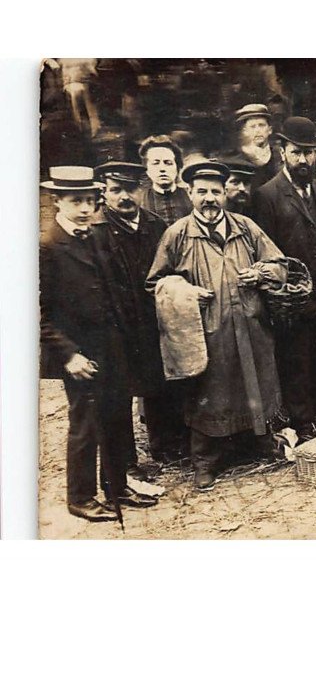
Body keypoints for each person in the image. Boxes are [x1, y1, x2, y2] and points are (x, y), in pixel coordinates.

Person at [146, 161, 288, 490]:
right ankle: (204, 461)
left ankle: (260, 442)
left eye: (215, 192)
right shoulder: (178, 234)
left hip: (250, 324)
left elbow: (281, 265)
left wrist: (262, 273)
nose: (209, 199)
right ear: (190, 194)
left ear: (225, 194)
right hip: (205, 331)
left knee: (255, 385)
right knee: (209, 393)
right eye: (202, 192)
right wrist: (185, 291)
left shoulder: (246, 227)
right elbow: (155, 283)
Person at [40, 166, 158, 522]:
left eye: (90, 201)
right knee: (86, 422)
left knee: (118, 415)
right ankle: (80, 496)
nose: (84, 208)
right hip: (79, 352)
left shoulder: (95, 235)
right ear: (58, 201)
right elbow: (38, 313)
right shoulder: (48, 246)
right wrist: (69, 355)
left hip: (111, 345)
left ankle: (117, 485)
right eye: (76, 201)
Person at [91, 162, 189, 468]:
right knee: (119, 393)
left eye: (130, 189)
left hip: (151, 318)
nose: (124, 197)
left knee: (158, 380)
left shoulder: (155, 225)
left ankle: (165, 445)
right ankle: (125, 463)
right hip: (117, 323)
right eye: (116, 190)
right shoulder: (97, 231)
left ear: (141, 190)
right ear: (104, 193)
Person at [253, 117, 316, 440]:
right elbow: (267, 251)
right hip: (292, 298)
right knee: (296, 361)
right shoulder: (267, 195)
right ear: (282, 152)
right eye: (296, 153)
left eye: (308, 153)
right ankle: (302, 423)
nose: (303, 160)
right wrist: (283, 294)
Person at [139, 134, 193, 224]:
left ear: (178, 167)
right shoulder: (140, 201)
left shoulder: (191, 196)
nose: (162, 169)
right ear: (147, 169)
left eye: (168, 163)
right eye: (155, 163)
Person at [228, 104, 282, 193]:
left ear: (270, 130)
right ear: (245, 131)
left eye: (261, 125)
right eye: (252, 126)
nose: (257, 130)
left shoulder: (280, 155)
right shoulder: (236, 159)